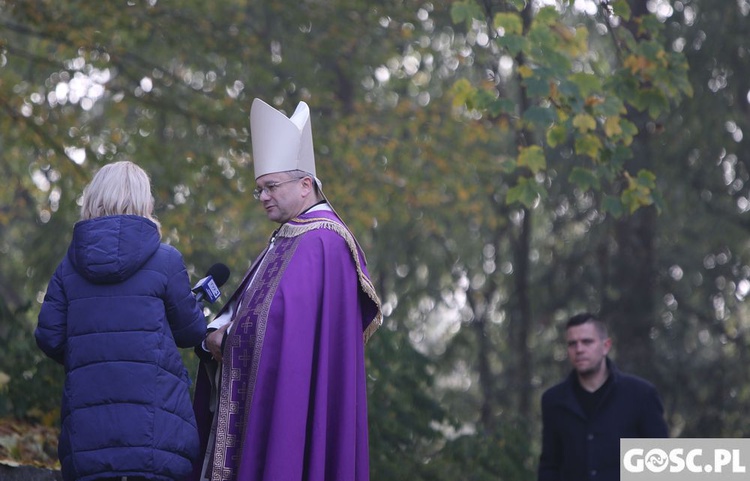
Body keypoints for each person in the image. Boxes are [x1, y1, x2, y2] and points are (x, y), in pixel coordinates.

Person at [189, 98, 382, 481]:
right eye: (259, 189)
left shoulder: (321, 242)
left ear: (305, 184)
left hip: (291, 404)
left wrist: (226, 341)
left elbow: (280, 326)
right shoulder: (291, 236)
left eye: (271, 187)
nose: (262, 197)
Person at [35, 160, 207, 481]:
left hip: (88, 442)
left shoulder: (69, 267)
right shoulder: (166, 261)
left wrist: (91, 354)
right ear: (145, 200)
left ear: (93, 197)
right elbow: (192, 332)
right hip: (158, 438)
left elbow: (49, 337)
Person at [538, 312, 668, 481]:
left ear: (606, 346)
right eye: (572, 344)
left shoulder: (641, 394)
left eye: (587, 342)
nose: (579, 349)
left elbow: (661, 462)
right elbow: (550, 465)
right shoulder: (553, 401)